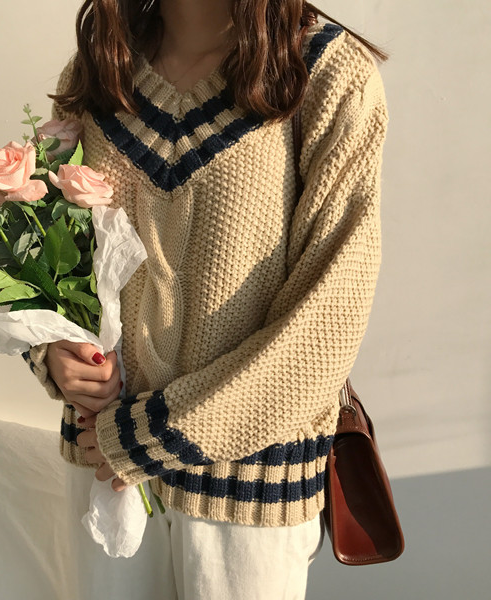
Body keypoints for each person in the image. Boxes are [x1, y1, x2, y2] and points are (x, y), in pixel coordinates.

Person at [23, 1, 389, 598]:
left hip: (245, 485)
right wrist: (53, 349)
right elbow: (50, 245)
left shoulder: (323, 70)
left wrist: (152, 437)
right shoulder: (103, 64)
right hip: (102, 467)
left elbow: (331, 311)